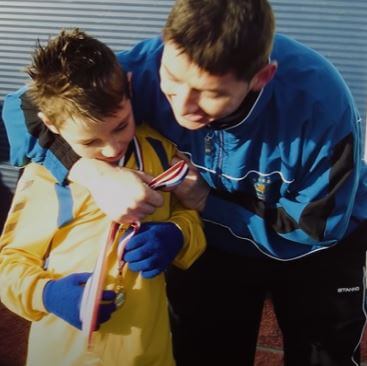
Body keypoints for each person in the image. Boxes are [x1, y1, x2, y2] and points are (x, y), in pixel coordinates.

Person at [2, 1, 367, 365]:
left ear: (261, 76)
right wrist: (93, 173)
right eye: (172, 80)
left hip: (311, 248)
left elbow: (315, 229)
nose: (183, 107)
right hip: (214, 241)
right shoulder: (141, 70)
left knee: (323, 355)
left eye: (210, 92)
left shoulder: (321, 106)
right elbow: (23, 108)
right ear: (165, 46)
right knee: (204, 351)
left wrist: (209, 202)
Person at [0, 28, 205, 366]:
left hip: (151, 354)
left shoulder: (159, 150)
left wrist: (178, 236)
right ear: (50, 124)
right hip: (66, 356)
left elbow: (192, 220)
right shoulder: (44, 178)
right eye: (90, 142)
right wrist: (48, 295)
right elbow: (10, 265)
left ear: (128, 86)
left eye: (121, 125)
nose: (111, 148)